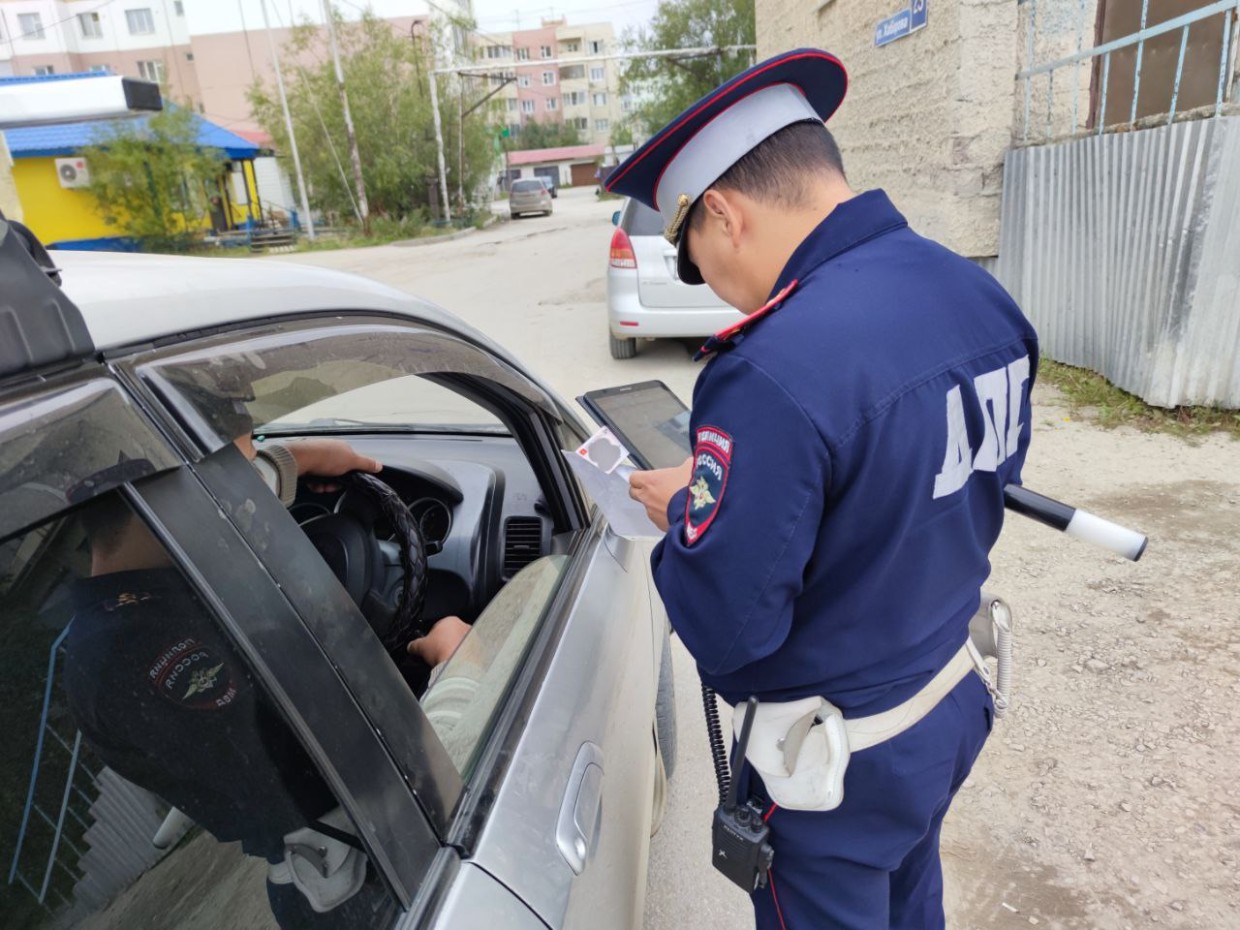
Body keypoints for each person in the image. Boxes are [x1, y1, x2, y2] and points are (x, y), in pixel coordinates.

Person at [617, 49, 1038, 929]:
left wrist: (688, 520)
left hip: (835, 765)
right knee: (912, 901)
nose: (709, 290)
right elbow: (970, 491)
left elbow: (729, 630)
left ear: (723, 215)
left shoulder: (769, 368)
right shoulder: (977, 295)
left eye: (692, 262)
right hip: (945, 704)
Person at [62, 435, 470, 927]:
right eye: (212, 471)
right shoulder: (137, 653)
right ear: (156, 496)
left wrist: (291, 462)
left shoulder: (147, 589)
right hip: (369, 875)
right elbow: (340, 763)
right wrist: (459, 671)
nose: (231, 485)